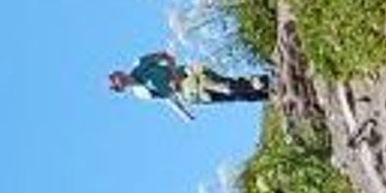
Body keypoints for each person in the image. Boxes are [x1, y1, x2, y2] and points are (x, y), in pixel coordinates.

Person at [108, 51, 270, 108]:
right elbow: (165, 96)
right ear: (121, 90)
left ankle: (265, 82)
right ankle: (270, 93)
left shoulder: (140, 64)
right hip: (189, 95)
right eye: (118, 85)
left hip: (189, 76)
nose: (121, 81)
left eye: (118, 78)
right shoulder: (141, 94)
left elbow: (166, 56)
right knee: (236, 96)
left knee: (228, 87)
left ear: (120, 72)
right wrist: (175, 95)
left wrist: (173, 75)